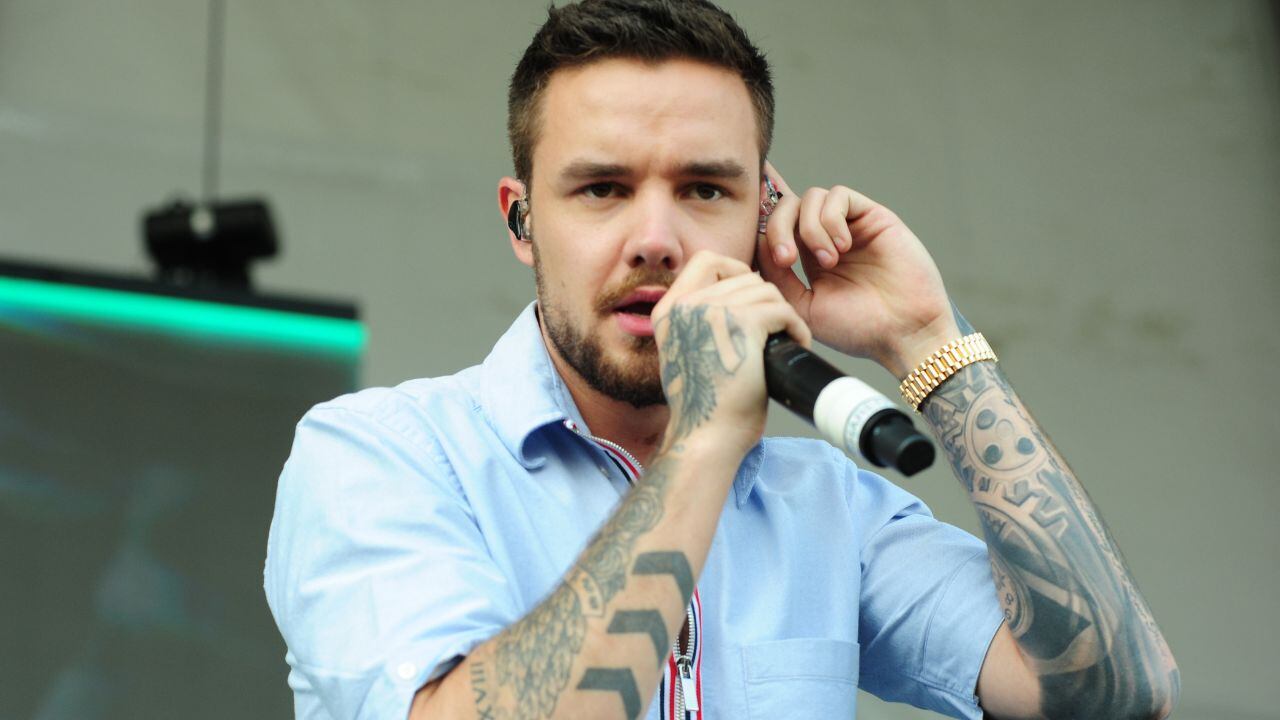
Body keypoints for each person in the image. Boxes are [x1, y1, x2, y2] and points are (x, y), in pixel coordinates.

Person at [264, 1, 1180, 718]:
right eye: (602, 188)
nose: (656, 239)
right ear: (521, 219)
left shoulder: (828, 508)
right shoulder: (380, 455)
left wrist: (929, 337)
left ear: (764, 214)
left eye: (704, 189)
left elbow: (1115, 694)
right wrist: (702, 444)